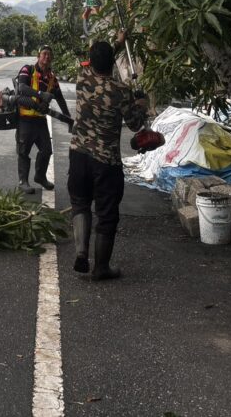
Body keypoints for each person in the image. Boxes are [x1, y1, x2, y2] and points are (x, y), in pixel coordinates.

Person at [68, 37, 149, 281]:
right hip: (106, 161)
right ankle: (101, 267)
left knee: (81, 204)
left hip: (78, 154)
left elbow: (98, 60)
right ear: (112, 63)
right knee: (107, 214)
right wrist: (142, 104)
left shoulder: (82, 79)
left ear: (90, 62)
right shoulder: (121, 91)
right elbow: (135, 125)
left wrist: (116, 42)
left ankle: (82, 251)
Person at [14, 45, 72, 194]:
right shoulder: (28, 69)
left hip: (40, 121)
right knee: (23, 152)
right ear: (39, 56)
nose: (47, 57)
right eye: (44, 54)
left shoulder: (52, 78)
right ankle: (23, 182)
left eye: (49, 55)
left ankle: (40, 177)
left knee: (46, 151)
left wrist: (68, 118)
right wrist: (40, 94)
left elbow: (60, 99)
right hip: (25, 119)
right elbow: (21, 88)